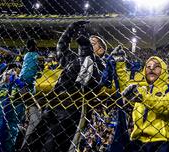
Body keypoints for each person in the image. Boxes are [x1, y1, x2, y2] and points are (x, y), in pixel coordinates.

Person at [22, 21, 106, 152]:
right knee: (31, 144)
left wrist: (86, 49)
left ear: (101, 50)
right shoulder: (74, 58)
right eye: (87, 41)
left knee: (51, 147)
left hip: (69, 113)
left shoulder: (101, 66)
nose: (87, 42)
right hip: (52, 107)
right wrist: (70, 30)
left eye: (92, 43)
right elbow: (61, 49)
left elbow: (88, 79)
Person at [121, 56, 169, 152]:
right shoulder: (140, 89)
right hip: (137, 141)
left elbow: (165, 108)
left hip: (162, 141)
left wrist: (143, 97)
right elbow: (123, 91)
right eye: (148, 66)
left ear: (163, 70)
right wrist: (120, 65)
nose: (151, 68)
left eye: (156, 66)